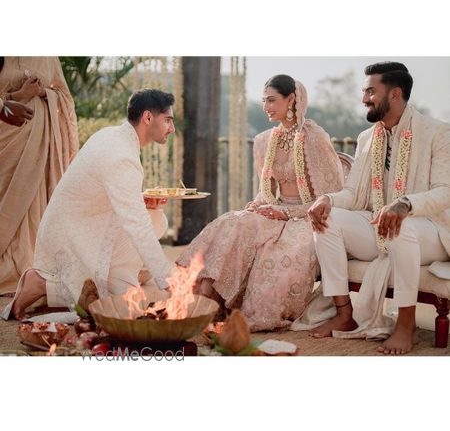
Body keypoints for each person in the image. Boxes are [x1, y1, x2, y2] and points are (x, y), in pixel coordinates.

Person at [177, 75, 344, 331]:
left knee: (277, 256)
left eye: (272, 100)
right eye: (264, 100)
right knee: (233, 223)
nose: (266, 107)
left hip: (308, 217)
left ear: (292, 99)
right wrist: (259, 206)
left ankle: (247, 316)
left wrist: (287, 213)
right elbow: (265, 191)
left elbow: (331, 196)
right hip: (274, 209)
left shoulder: (314, 136)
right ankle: (205, 300)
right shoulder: (264, 140)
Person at [307, 62, 450, 355]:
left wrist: (406, 204)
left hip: (430, 229)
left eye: (371, 91)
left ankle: (406, 324)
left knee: (402, 224)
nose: (364, 99)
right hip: (378, 226)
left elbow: (445, 191)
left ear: (395, 94)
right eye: (364, 92)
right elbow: (353, 193)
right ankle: (344, 312)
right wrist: (327, 200)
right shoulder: (366, 138)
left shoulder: (438, 132)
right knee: (327, 219)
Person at [2, 89, 176, 320]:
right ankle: (42, 283)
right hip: (70, 236)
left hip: (76, 225)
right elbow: (137, 225)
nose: (172, 129)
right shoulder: (122, 156)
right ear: (147, 118)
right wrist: (168, 281)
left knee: (156, 218)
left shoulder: (112, 136)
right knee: (146, 224)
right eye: (167, 120)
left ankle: (117, 277)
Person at [0, 57, 79, 295]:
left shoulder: (47, 53)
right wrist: (17, 96)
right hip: (5, 140)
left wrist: (43, 92)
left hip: (37, 144)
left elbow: (64, 96)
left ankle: (28, 267)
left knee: (31, 206)